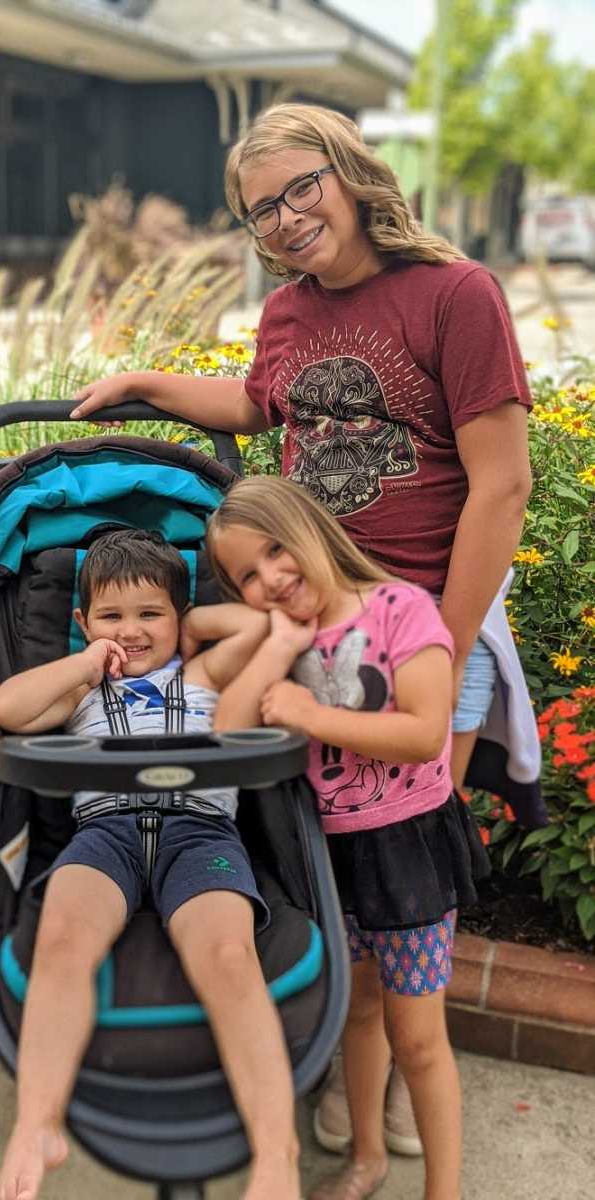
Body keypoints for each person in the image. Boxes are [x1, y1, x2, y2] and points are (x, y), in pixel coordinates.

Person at [69, 101, 535, 1154]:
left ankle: (392, 1074)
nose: (283, 219)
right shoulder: (288, 314)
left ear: (349, 173)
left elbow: (502, 490)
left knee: (406, 868)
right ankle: (348, 1061)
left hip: (423, 625)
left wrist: (442, 647)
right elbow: (254, 403)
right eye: (259, 210)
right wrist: (146, 383)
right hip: (314, 626)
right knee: (330, 860)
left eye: (298, 189)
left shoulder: (455, 296)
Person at [0, 528, 306, 1200]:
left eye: (150, 614)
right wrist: (83, 662)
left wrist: (193, 625)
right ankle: (37, 1122)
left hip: (202, 836)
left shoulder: (201, 674)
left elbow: (261, 623)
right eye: (111, 616)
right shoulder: (78, 693)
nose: (131, 631)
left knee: (227, 954)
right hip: (104, 836)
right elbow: (6, 711)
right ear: (83, 622)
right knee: (63, 939)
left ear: (178, 619)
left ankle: (277, 1153)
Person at [203, 474, 490, 1200]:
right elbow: (224, 732)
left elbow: (426, 732)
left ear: (309, 527)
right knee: (356, 1014)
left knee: (419, 1040)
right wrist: (277, 649)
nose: (271, 576)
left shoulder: (401, 608)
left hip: (408, 850)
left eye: (276, 550)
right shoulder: (279, 639)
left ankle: (443, 1192)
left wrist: (308, 713)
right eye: (248, 574)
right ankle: (367, 1157)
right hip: (328, 855)